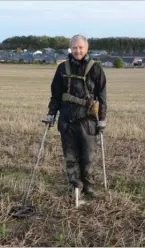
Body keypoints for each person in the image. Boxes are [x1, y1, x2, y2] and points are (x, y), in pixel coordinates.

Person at [45, 34, 107, 199]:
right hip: (66, 119)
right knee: (70, 157)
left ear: (87, 48)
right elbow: (55, 96)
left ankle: (89, 187)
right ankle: (76, 186)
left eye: (80, 47)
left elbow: (102, 98)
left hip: (88, 121)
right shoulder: (62, 69)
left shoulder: (96, 69)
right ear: (70, 49)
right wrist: (51, 114)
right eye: (74, 48)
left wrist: (102, 120)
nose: (77, 51)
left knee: (88, 157)